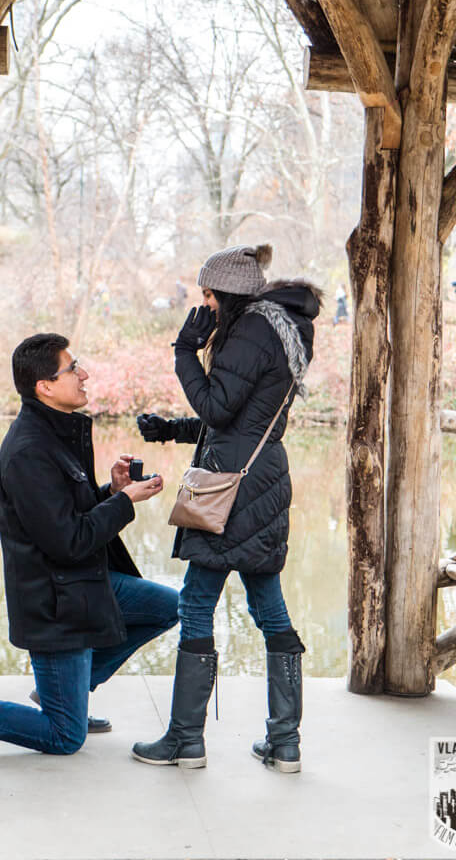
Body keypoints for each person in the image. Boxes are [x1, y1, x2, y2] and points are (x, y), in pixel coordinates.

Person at [0, 333, 178, 754]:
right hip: (55, 603)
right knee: (65, 736)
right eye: (73, 368)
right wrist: (124, 502)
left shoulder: (58, 433)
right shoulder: (28, 451)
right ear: (44, 386)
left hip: (82, 584)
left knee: (170, 607)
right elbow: (68, 542)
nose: (85, 374)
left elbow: (66, 516)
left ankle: (69, 694)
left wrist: (110, 491)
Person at [133, 244, 320, 774]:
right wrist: (172, 431)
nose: (206, 305)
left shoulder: (250, 331)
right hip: (262, 482)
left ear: (230, 293)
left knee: (195, 604)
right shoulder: (280, 327)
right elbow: (243, 423)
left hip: (228, 491)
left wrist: (184, 355)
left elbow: (217, 405)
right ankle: (285, 744)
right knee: (270, 610)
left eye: (210, 294)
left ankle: (185, 740)